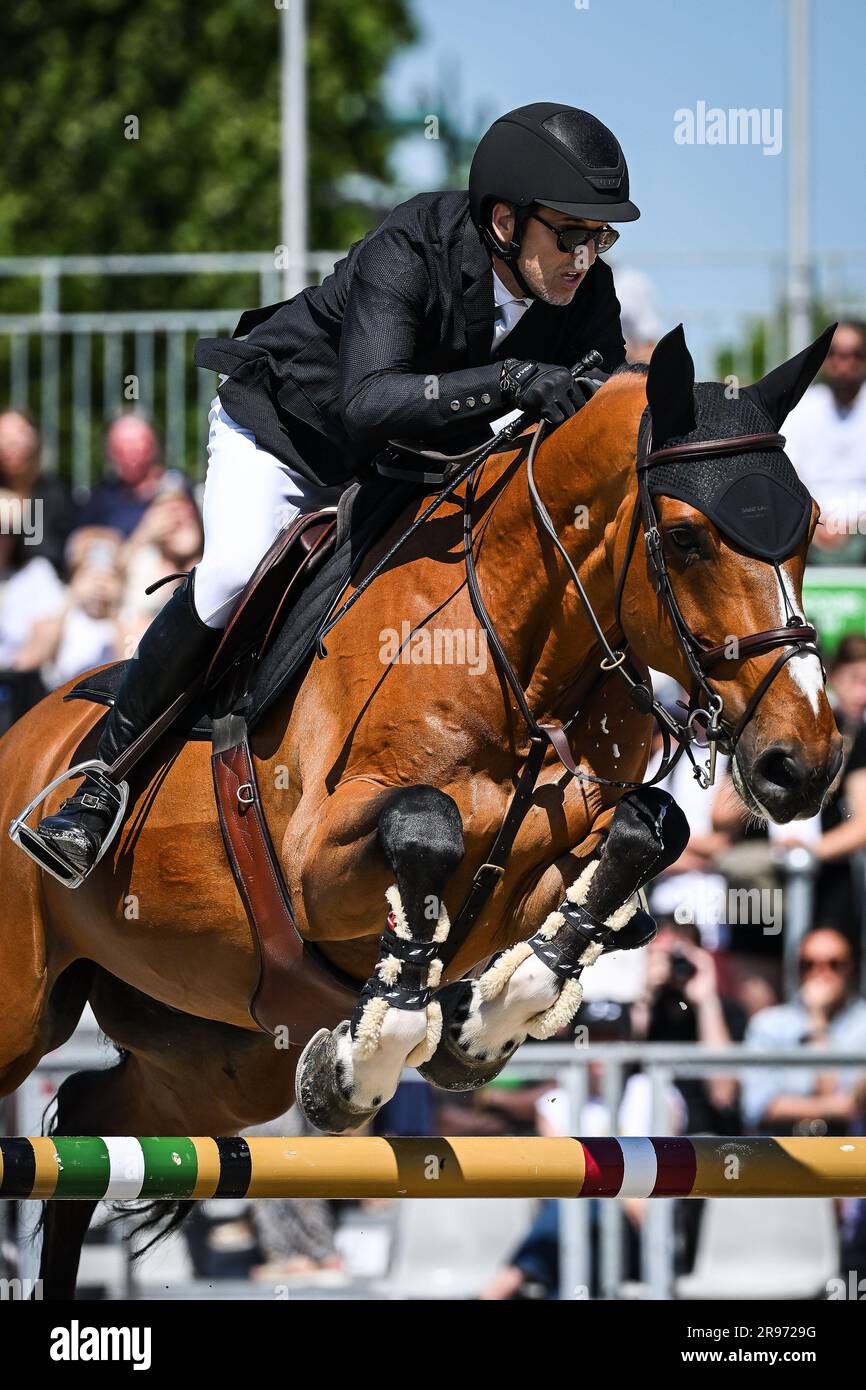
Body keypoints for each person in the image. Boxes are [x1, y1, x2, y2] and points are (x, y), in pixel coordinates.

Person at [23, 101, 639, 883]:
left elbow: (605, 414)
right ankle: (96, 782)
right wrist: (512, 379)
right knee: (233, 573)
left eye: (600, 238)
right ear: (506, 224)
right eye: (571, 235)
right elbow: (368, 402)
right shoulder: (411, 245)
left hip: (406, 470)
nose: (586, 258)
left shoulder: (587, 294)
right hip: (290, 437)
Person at [741, 926, 866, 1134]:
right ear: (798, 970)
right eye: (809, 964)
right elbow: (757, 1107)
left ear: (850, 968)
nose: (821, 974)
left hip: (848, 1154)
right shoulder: (768, 1024)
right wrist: (838, 1107)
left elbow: (852, 1101)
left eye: (833, 964)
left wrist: (817, 1022)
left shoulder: (862, 1024)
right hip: (782, 1151)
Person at [782, 320, 866, 563]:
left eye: (855, 355)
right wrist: (815, 521)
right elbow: (788, 473)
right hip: (809, 527)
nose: (844, 363)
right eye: (836, 354)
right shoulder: (801, 409)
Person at [0, 408, 78, 576]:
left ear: (34, 439)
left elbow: (41, 553)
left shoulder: (53, 492)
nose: (9, 443)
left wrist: (18, 514)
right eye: (3, 436)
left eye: (18, 435)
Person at [75, 414, 167, 537]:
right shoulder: (100, 499)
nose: (131, 453)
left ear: (154, 447)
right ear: (109, 452)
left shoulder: (176, 487)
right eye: (121, 447)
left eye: (138, 444)